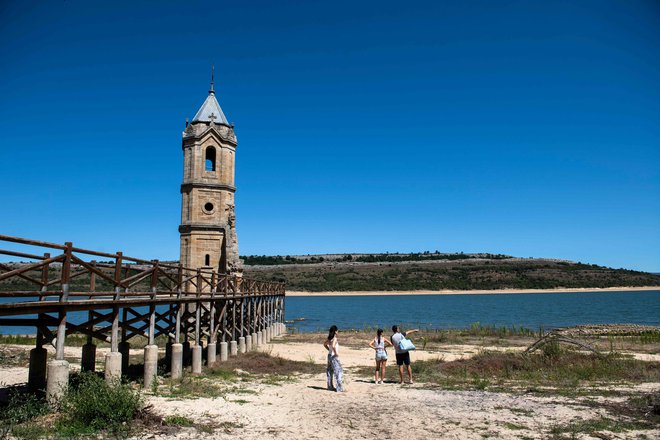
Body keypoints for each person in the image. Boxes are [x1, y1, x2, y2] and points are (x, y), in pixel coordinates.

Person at [323, 325, 344, 392]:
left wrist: (329, 349)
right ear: (335, 331)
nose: (338, 332)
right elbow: (334, 346)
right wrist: (335, 353)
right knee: (339, 372)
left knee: (329, 371)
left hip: (329, 356)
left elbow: (324, 344)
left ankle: (330, 386)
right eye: (337, 330)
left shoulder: (329, 338)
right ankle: (339, 388)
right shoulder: (334, 338)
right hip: (333, 357)